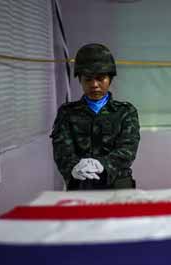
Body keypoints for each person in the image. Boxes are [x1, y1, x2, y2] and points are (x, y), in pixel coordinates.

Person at [50, 43, 140, 190]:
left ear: (110, 79)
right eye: (88, 79)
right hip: (81, 185)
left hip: (118, 185)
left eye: (100, 78)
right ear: (79, 80)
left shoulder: (125, 112)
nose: (94, 85)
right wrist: (73, 167)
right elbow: (62, 151)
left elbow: (127, 150)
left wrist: (102, 164)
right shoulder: (67, 113)